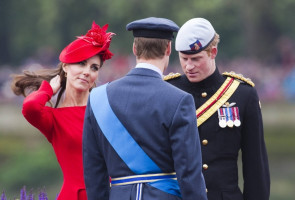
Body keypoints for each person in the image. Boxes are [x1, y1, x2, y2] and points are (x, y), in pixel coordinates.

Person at [82, 17, 207, 200]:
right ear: (168, 49)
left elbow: (93, 172)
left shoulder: (97, 98)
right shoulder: (180, 100)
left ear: (134, 48)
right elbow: (189, 174)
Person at [165, 18, 270, 200]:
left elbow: (255, 166)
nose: (189, 66)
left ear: (213, 52)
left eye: (196, 59)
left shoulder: (242, 94)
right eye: (184, 59)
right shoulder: (167, 90)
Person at [11, 21, 115, 200]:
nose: (87, 72)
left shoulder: (106, 107)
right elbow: (30, 107)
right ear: (66, 67)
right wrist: (48, 90)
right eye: (81, 64)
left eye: (94, 67)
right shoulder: (54, 118)